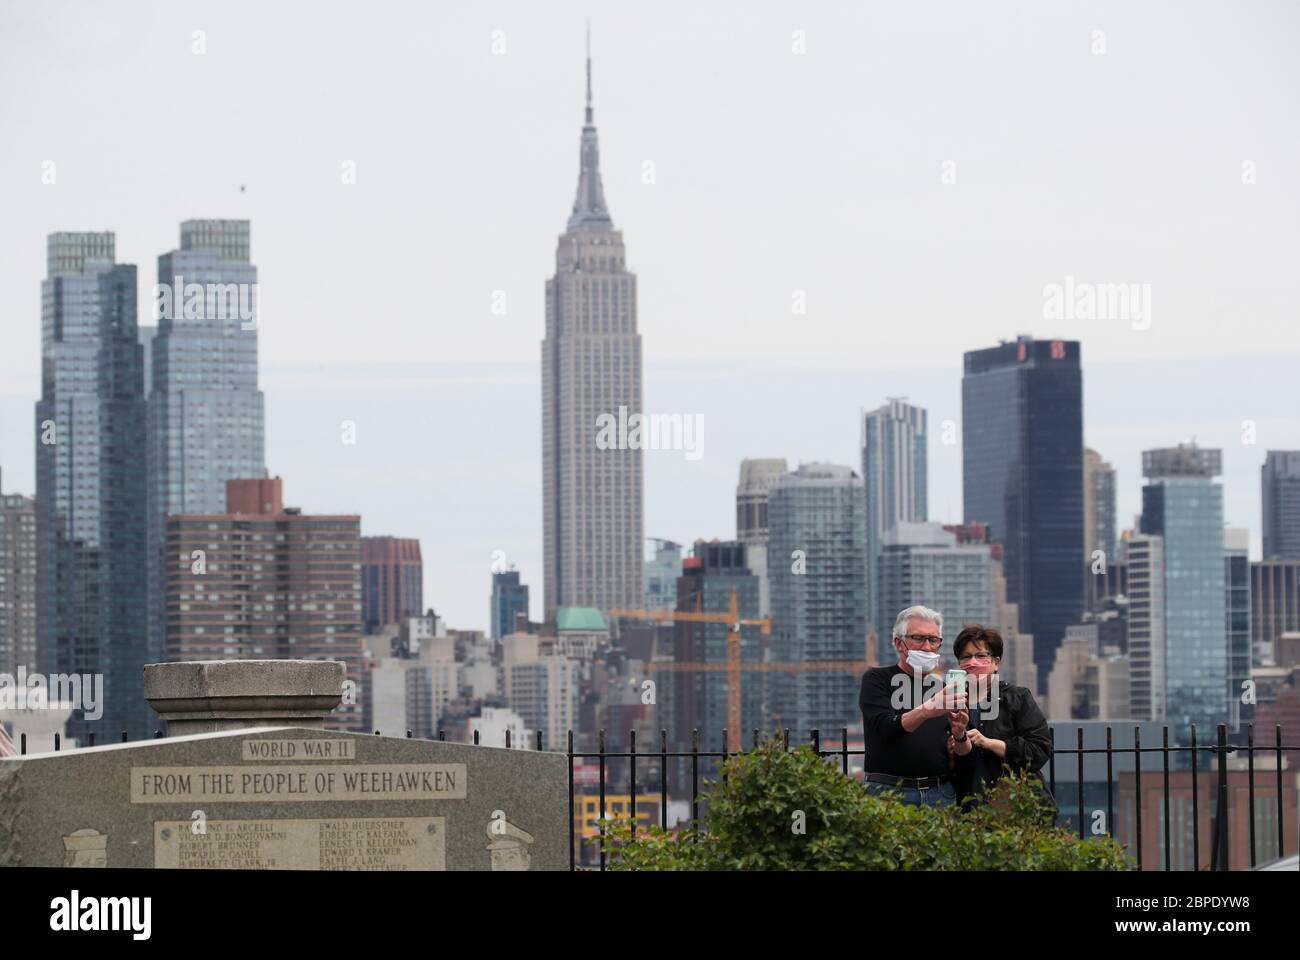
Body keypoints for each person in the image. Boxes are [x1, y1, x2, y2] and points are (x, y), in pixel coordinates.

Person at [859, 604, 971, 809]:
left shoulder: (944, 690)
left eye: (933, 640)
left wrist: (960, 733)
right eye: (919, 638)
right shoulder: (876, 679)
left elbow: (963, 752)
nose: (927, 647)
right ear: (899, 643)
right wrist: (928, 709)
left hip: (939, 793)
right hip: (889, 793)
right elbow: (886, 728)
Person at [946, 624, 1054, 816]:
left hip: (1017, 807)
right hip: (968, 807)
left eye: (981, 656)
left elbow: (1039, 750)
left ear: (996, 662)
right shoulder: (948, 701)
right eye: (966, 656)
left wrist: (989, 743)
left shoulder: (1017, 698)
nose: (973, 662)